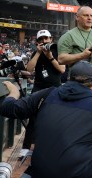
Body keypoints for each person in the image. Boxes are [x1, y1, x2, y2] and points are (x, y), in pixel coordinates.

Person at [20, 29, 66, 158]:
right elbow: (29, 69)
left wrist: (50, 56)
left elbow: (62, 69)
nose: (44, 41)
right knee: (33, 118)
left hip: (54, 89)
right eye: (41, 39)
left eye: (46, 38)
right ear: (37, 42)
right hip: (38, 88)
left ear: (51, 39)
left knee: (54, 118)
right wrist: (39, 53)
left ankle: (51, 147)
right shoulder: (36, 52)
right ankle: (26, 147)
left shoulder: (57, 51)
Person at [57, 6, 92, 98]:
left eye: (91, 16)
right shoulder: (68, 36)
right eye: (85, 15)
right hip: (78, 83)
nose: (89, 18)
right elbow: (61, 59)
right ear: (77, 17)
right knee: (79, 111)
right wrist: (82, 55)